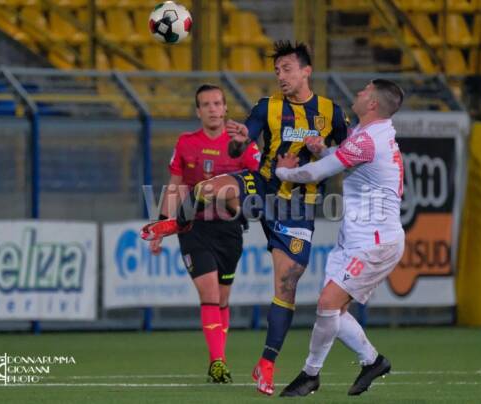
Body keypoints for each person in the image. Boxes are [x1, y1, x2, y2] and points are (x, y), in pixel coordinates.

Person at [141, 41, 349, 395]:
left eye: (286, 69)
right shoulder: (267, 107)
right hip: (262, 185)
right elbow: (242, 145)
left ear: (305, 71)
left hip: (297, 208)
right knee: (206, 189)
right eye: (277, 71)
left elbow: (347, 155)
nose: (281, 76)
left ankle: (266, 365)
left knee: (287, 286)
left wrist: (323, 152)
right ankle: (179, 223)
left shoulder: (332, 112)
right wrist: (238, 141)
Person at [272, 79, 406, 397]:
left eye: (363, 92)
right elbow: (347, 159)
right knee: (334, 310)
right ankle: (372, 361)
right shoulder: (369, 133)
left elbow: (315, 174)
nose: (358, 93)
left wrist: (282, 173)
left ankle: (310, 374)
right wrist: (325, 150)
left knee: (327, 303)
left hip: (375, 242)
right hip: (357, 238)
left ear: (373, 103)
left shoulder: (369, 138)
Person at [152, 84, 261, 383]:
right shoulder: (187, 143)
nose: (213, 109)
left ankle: (219, 359)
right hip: (194, 228)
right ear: (198, 111)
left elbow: (260, 186)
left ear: (225, 109)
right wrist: (162, 225)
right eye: (206, 104)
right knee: (210, 293)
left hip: (229, 230)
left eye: (217, 103)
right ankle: (217, 361)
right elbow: (175, 186)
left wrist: (230, 199)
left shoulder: (241, 144)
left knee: (223, 299)